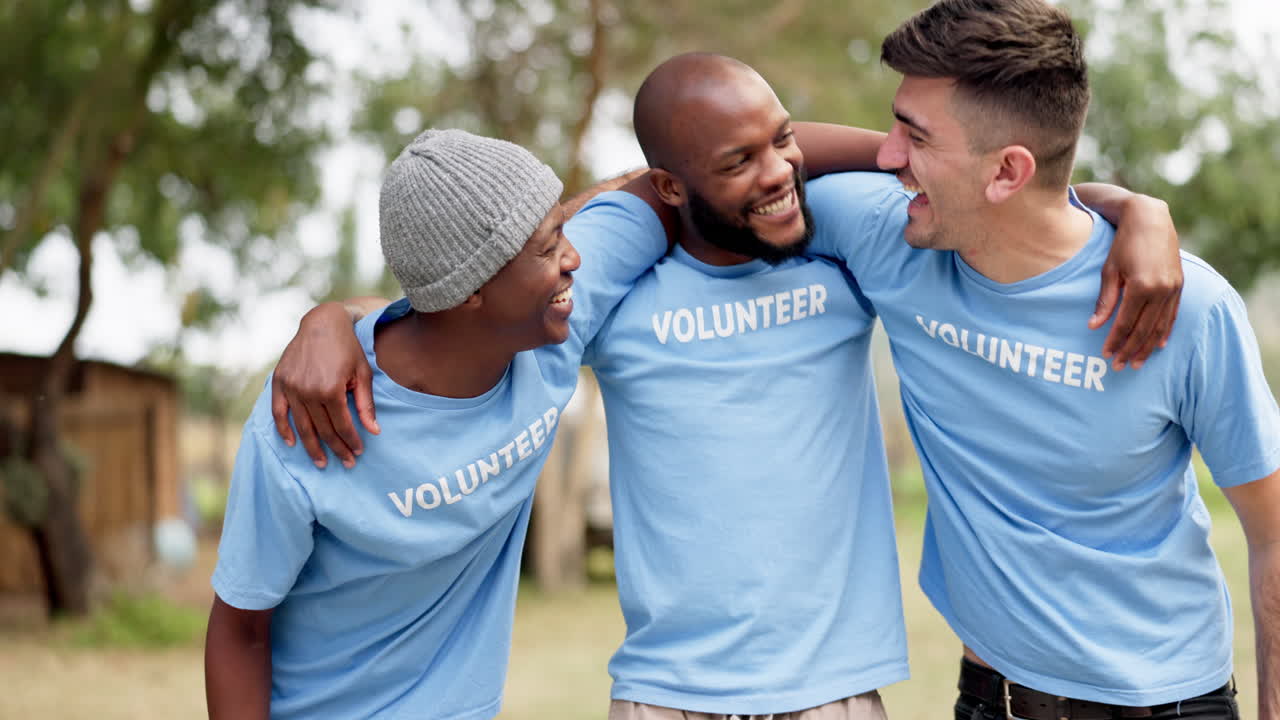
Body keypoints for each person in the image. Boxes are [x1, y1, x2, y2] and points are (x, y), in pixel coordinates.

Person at [268, 56, 1183, 718]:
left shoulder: (843, 246)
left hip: (833, 692)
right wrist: (333, 319)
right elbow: (480, 295)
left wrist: (1133, 206)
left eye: (782, 143)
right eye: (737, 163)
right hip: (668, 695)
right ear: (670, 186)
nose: (779, 175)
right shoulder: (618, 271)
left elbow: (985, 192)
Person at [800, 0, 1280, 716]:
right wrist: (1131, 200)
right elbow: (743, 150)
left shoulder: (1186, 308)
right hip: (991, 698)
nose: (889, 157)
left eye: (915, 136)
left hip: (1168, 704)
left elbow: (1272, 534)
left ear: (1007, 173)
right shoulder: (892, 236)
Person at [204, 129, 672, 719]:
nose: (573, 258)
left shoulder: (551, 326)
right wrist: (329, 319)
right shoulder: (307, 423)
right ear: (471, 290)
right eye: (550, 247)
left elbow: (683, 176)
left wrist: (329, 314)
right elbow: (240, 630)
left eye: (563, 235)